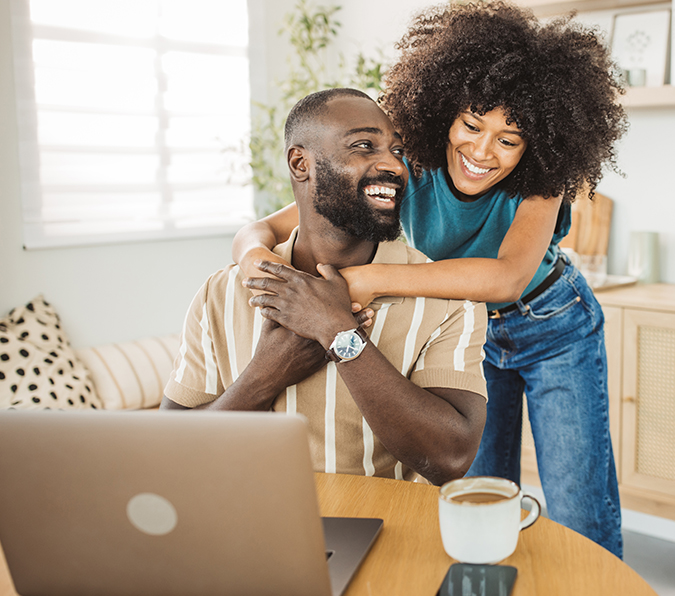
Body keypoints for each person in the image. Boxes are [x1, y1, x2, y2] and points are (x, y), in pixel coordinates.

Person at [234, 0, 627, 557]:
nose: (482, 151)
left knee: (578, 499)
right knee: (476, 494)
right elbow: (259, 229)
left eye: (508, 139)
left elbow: (508, 277)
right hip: (465, 336)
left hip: (552, 326)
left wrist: (370, 280)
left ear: (536, 146)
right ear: (445, 110)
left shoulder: (545, 178)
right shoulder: (405, 163)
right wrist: (253, 258)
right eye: (471, 125)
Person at [162, 88, 489, 487]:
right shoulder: (221, 293)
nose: (394, 166)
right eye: (365, 146)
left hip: (385, 534)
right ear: (301, 163)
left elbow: (451, 458)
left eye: (398, 151)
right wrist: (266, 373)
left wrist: (340, 336)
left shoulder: (449, 304)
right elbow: (171, 451)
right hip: (244, 532)